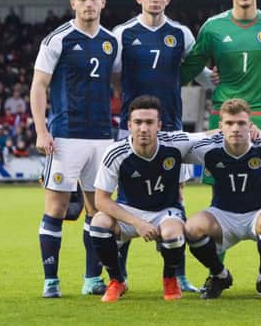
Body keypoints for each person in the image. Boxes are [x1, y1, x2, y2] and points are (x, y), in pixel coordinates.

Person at [180, 0, 261, 293]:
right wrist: (205, 78)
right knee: (222, 193)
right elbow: (189, 67)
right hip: (223, 120)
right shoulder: (213, 28)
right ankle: (217, 271)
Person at [112, 0, 213, 292]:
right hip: (132, 130)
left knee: (177, 196)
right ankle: (119, 276)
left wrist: (222, 81)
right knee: (124, 198)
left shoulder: (180, 34)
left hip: (171, 128)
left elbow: (199, 73)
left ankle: (178, 274)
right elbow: (112, 74)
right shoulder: (123, 33)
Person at [30, 0, 120, 298]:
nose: (88, 4)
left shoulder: (112, 42)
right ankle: (51, 281)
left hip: (102, 138)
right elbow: (39, 85)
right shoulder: (58, 39)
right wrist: (41, 130)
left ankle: (91, 279)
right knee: (55, 208)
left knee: (99, 211)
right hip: (66, 136)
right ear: (73, 3)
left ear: (103, 2)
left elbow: (119, 83)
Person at [89, 95, 208, 302]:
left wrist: (246, 130)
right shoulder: (116, 152)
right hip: (131, 212)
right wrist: (138, 223)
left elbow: (208, 135)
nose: (143, 128)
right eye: (138, 122)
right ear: (129, 125)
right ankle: (117, 280)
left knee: (172, 233)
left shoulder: (174, 143)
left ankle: (170, 279)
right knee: (99, 223)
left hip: (166, 212)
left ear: (159, 125)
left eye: (150, 122)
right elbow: (100, 200)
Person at [184, 98, 261, 299]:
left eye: (241, 123)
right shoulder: (208, 149)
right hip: (222, 215)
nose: (235, 128)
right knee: (191, 228)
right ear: (220, 127)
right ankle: (220, 275)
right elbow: (176, 142)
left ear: (250, 125)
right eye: (229, 123)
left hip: (258, 214)